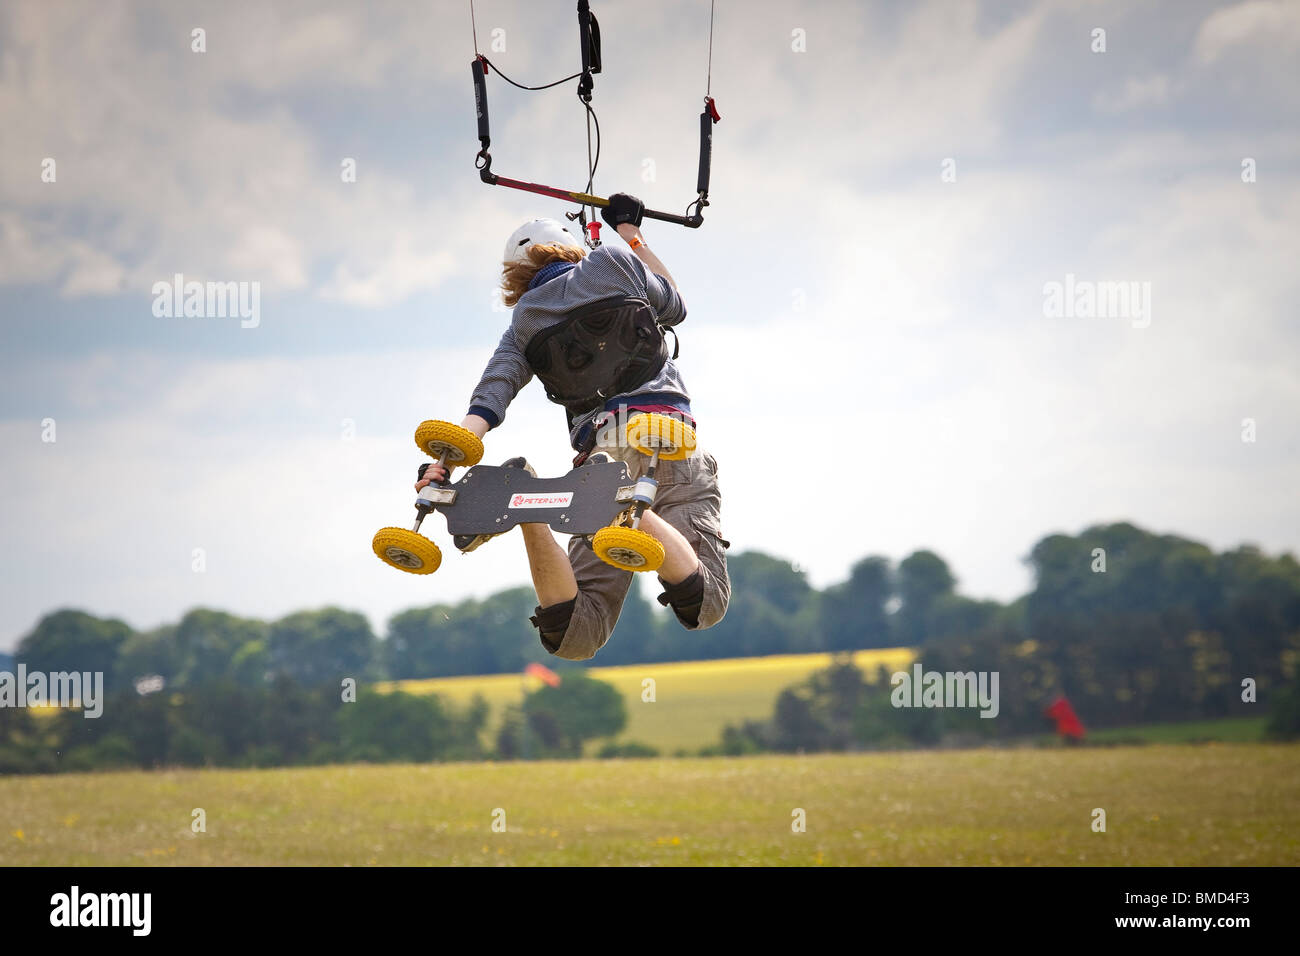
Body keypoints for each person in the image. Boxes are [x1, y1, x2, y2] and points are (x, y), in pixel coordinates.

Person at [416, 193, 730, 661]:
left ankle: (529, 505)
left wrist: (445, 459)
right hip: (669, 440)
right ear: (573, 249)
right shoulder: (613, 264)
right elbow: (675, 303)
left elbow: (492, 393)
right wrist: (629, 232)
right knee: (705, 605)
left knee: (575, 636)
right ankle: (636, 511)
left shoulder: (524, 320)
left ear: (515, 278)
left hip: (603, 458)